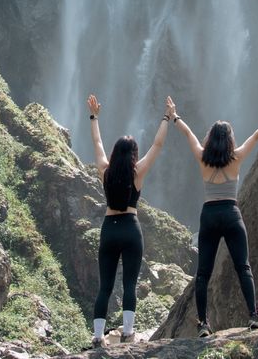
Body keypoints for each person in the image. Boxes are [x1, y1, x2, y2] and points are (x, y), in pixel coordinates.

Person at [170, 99, 258, 336]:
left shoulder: (202, 157)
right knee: (243, 267)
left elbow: (188, 135)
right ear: (229, 139)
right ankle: (254, 316)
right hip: (230, 214)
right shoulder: (236, 157)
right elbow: (256, 136)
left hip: (209, 215)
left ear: (210, 138)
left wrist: (175, 116)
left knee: (203, 273)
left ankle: (204, 324)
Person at [87, 93, 175, 347]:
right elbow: (157, 146)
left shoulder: (105, 170)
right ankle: (127, 333)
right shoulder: (138, 172)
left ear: (116, 154)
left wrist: (94, 116)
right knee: (129, 284)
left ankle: (97, 336)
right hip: (131, 229)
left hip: (109, 229)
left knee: (105, 287)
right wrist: (166, 118)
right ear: (134, 155)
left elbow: (97, 142)